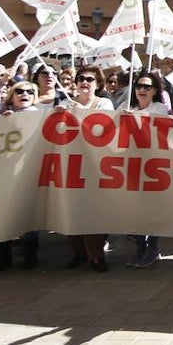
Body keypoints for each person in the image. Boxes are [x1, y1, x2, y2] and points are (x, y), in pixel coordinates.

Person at [63, 66, 113, 272]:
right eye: (81, 78)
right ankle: (78, 253)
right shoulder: (66, 103)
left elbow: (104, 127)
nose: (85, 82)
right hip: (71, 162)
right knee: (73, 209)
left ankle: (97, 255)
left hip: (96, 163)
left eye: (90, 79)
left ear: (98, 84)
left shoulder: (104, 103)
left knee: (93, 211)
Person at [0, 81, 42, 271]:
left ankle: (30, 255)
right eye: (19, 91)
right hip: (4, 173)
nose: (24, 94)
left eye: (30, 91)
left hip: (29, 171)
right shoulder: (1, 115)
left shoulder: (41, 116)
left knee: (28, 213)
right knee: (3, 214)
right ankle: (2, 257)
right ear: (12, 95)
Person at [127, 71, 171, 268]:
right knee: (134, 209)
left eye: (147, 87)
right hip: (130, 165)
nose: (142, 90)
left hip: (154, 166)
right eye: (138, 86)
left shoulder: (160, 109)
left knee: (152, 208)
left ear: (155, 90)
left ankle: (152, 247)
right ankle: (140, 248)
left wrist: (134, 120)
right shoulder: (127, 108)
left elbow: (158, 131)